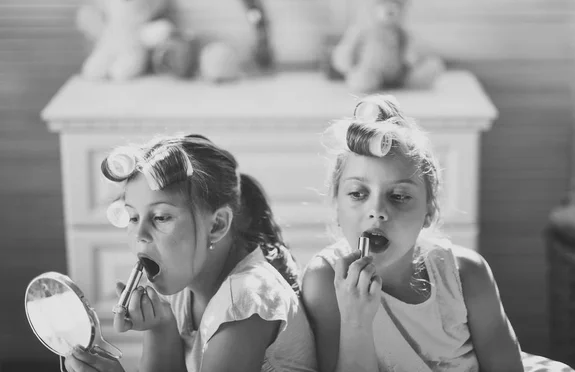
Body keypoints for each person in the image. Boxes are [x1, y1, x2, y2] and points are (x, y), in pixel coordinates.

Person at [301, 95, 524, 372]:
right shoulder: (325, 281)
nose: (377, 211)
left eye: (398, 196)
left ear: (429, 210)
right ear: (336, 206)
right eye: (358, 194)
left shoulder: (467, 276)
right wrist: (355, 321)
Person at [64, 134, 318, 372]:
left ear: (217, 225)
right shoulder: (186, 284)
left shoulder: (246, 299)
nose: (140, 233)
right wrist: (160, 328)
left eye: (161, 217)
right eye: (133, 217)